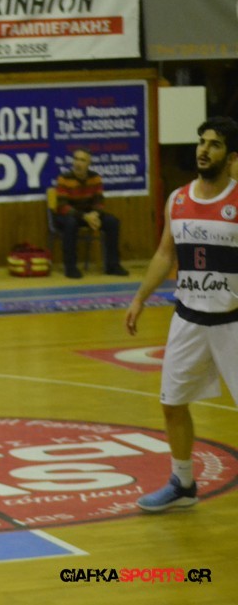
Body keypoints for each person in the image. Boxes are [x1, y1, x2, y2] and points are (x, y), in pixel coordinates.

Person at [125, 116, 238, 512]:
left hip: (233, 323)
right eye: (202, 142)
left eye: (215, 144)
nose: (204, 150)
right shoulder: (178, 199)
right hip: (188, 318)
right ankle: (183, 483)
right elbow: (164, 253)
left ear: (232, 157)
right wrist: (140, 298)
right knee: (172, 403)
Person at [54, 147, 129, 279]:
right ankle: (70, 268)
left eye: (82, 160)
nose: (78, 163)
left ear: (89, 163)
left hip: (89, 215)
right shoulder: (63, 178)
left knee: (112, 222)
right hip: (68, 216)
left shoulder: (95, 178)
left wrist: (95, 215)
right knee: (70, 223)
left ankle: (112, 266)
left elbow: (99, 201)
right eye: (76, 159)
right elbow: (63, 206)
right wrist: (85, 216)